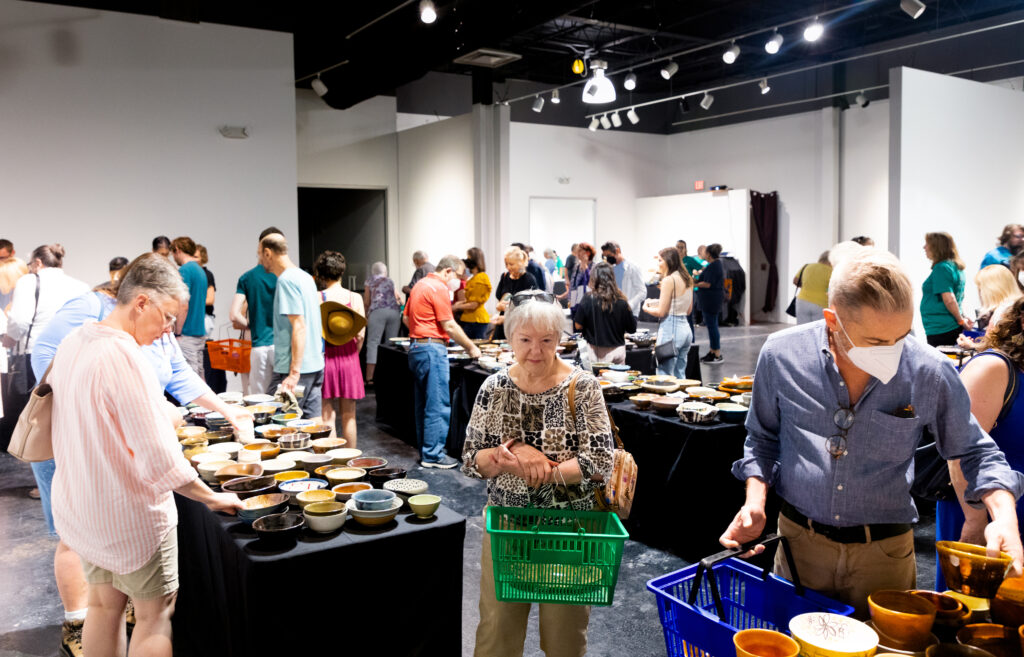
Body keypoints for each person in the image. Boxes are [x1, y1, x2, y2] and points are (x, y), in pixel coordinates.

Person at [720, 248, 1024, 617]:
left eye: (902, 335)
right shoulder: (782, 355)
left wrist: (1004, 517)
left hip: (884, 554)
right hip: (799, 544)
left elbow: (976, 451)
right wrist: (755, 501)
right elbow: (763, 439)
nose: (894, 353)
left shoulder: (927, 369)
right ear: (833, 320)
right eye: (878, 343)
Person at [30, 260, 253, 657]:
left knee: (103, 606)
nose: (169, 329)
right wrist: (213, 497)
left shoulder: (76, 342)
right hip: (130, 514)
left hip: (85, 506)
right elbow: (159, 458)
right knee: (154, 617)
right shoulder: (124, 357)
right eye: (167, 317)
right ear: (142, 303)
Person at [461, 290, 614, 657]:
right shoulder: (494, 388)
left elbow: (599, 462)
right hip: (507, 529)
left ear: (559, 340)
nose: (535, 350)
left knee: (564, 640)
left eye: (546, 340)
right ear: (510, 338)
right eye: (525, 340)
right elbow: (470, 460)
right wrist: (511, 454)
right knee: (497, 633)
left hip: (570, 533)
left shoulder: (583, 387)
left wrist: (539, 469)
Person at [936, 297, 1024, 590]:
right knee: (974, 618)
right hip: (981, 512)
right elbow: (959, 449)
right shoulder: (995, 368)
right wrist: (974, 520)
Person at [2, 244, 89, 452]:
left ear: (38, 262)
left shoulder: (29, 281)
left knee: (33, 411)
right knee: (64, 409)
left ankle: (32, 461)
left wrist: (9, 340)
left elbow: (20, 320)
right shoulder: (80, 286)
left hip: (35, 355)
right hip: (73, 354)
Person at [404, 255, 481, 468]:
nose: (456, 281)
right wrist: (472, 347)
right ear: (447, 271)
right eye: (456, 276)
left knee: (424, 404)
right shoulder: (438, 288)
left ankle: (427, 450)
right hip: (432, 349)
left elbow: (406, 318)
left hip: (417, 347)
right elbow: (449, 325)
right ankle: (434, 455)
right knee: (437, 404)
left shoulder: (420, 285)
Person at [260, 233, 325, 421]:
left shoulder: (286, 280)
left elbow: (299, 326)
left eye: (259, 254)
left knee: (280, 425)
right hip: (314, 363)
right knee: (313, 424)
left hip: (296, 368)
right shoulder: (305, 278)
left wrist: (294, 373)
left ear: (268, 253)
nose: (260, 260)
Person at [314, 251, 365, 445]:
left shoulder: (318, 297)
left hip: (326, 358)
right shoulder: (355, 298)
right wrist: (353, 355)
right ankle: (350, 460)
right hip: (350, 358)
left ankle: (332, 462)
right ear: (342, 271)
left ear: (322, 273)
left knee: (327, 416)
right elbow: (360, 336)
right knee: (349, 416)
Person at [231, 226, 282, 396]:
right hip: (282, 346)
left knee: (260, 401)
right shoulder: (285, 276)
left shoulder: (247, 278)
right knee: (287, 400)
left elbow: (234, 315)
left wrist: (251, 325)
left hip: (259, 346)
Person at [643, 247, 694, 378]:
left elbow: (661, 312)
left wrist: (646, 308)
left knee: (664, 375)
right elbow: (688, 310)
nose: (658, 263)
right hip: (686, 330)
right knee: (680, 374)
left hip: (671, 330)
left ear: (668, 261)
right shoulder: (687, 278)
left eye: (660, 260)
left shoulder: (668, 280)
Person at [574, 261, 637, 365]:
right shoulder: (622, 301)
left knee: (594, 381)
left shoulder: (588, 298)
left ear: (594, 278)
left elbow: (578, 325)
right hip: (618, 352)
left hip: (594, 352)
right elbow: (632, 329)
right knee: (618, 381)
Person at [921, 232, 970, 348]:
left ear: (936, 246)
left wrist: (961, 321)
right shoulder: (954, 266)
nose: (924, 247)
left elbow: (950, 299)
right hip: (947, 326)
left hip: (941, 328)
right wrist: (962, 318)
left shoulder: (941, 268)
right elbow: (958, 297)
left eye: (927, 244)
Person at [170, 237, 208, 377]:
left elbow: (183, 303)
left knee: (191, 377)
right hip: (199, 331)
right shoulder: (200, 270)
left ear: (178, 250)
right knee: (199, 373)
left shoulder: (185, 270)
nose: (174, 258)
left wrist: (177, 331)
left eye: (173, 253)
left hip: (186, 332)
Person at [363, 261, 402, 386]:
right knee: (391, 344)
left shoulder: (370, 280)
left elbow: (367, 300)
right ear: (385, 271)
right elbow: (398, 298)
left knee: (373, 343)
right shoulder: (390, 280)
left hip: (377, 312)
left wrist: (364, 315)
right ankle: (389, 375)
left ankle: (370, 378)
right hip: (394, 313)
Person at [196, 243, 226, 393]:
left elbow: (210, 299)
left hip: (204, 317)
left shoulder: (207, 275)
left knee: (201, 354)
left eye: (196, 256)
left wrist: (191, 301)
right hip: (196, 318)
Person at [494, 247, 538, 340]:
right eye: (506, 264)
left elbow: (530, 308)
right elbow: (500, 298)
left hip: (520, 327)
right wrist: (500, 305)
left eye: (511, 264)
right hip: (503, 328)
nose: (508, 267)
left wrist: (507, 317)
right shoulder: (505, 276)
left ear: (520, 263)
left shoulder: (529, 280)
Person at [695, 243, 725, 363]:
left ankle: (716, 353)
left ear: (708, 254)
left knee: (712, 326)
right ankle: (713, 351)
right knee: (712, 326)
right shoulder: (714, 265)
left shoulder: (714, 266)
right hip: (710, 300)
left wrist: (694, 284)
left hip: (711, 300)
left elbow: (707, 284)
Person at [454, 247, 491, 340]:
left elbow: (474, 304)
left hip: (477, 321)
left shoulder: (481, 278)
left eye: (468, 258)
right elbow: (470, 300)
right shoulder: (473, 278)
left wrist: (457, 307)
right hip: (469, 319)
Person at [600, 241, 646, 316]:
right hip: (613, 311)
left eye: (609, 255)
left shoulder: (633, 267)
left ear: (617, 251)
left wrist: (630, 305)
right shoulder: (610, 268)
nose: (607, 259)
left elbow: (642, 292)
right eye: (605, 256)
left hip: (629, 312)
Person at [794, 251, 833, 325]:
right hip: (821, 304)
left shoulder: (807, 266)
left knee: (802, 329)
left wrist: (808, 286)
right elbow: (833, 289)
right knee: (818, 330)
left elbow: (795, 281)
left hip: (802, 301)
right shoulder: (831, 271)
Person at [567, 242, 595, 317]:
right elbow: (572, 285)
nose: (577, 253)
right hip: (575, 303)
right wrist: (569, 299)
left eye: (580, 251)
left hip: (587, 303)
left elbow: (591, 284)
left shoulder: (594, 267)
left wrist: (585, 265)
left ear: (588, 253)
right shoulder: (577, 267)